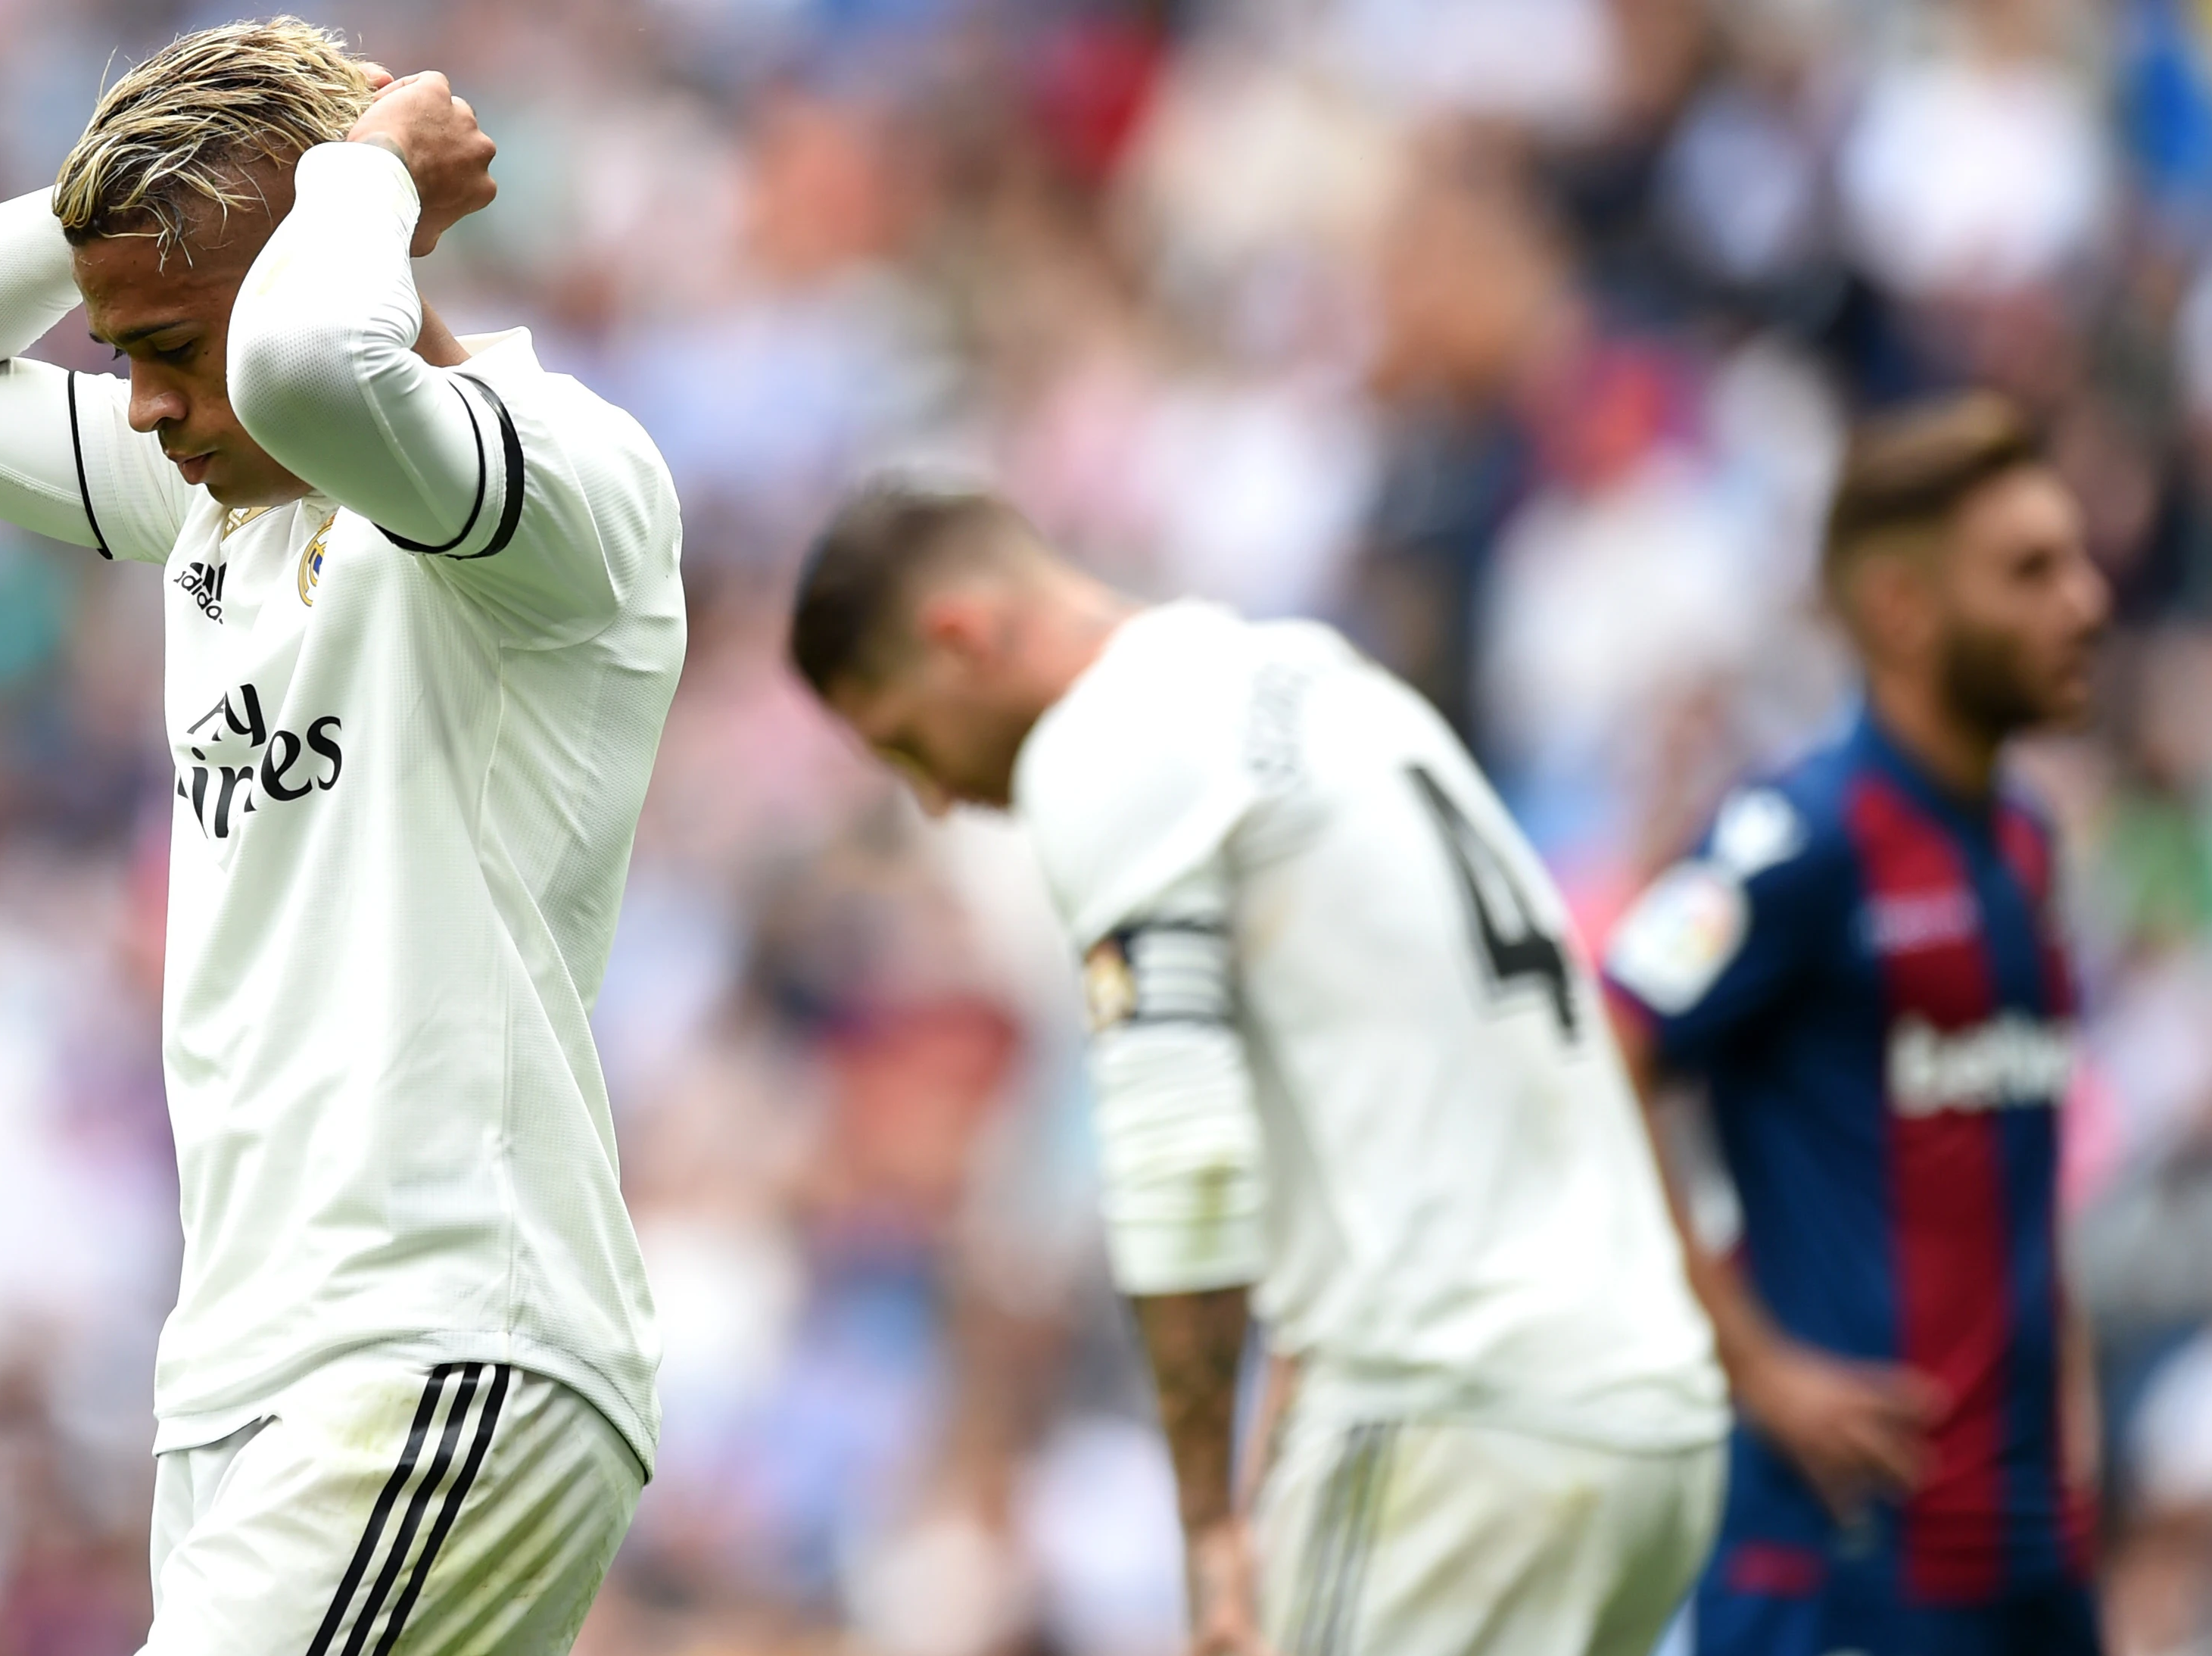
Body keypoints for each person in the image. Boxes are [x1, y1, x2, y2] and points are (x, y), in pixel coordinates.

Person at [0, 23, 684, 1655]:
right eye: (115, 346)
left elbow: (307, 370)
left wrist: (353, 189)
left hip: (437, 1331)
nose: (135, 409)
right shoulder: (225, 509)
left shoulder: (562, 478)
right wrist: (128, 207)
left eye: (167, 345)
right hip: (252, 1373)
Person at [788, 487, 1729, 1656]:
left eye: (909, 744)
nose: (933, 798)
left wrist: (1208, 1524)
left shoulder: (1104, 740)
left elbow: (1179, 1163)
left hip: (1452, 1415)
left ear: (960, 637)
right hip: (1645, 1417)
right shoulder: (1323, 682)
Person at [1603, 391, 2111, 1656]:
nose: (2088, 601)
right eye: (2032, 571)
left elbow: (2016, 1158)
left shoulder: (2027, 843)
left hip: (2031, 1543)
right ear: (1901, 609)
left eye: (2080, 558)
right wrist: (1755, 1364)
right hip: (1842, 1556)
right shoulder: (1799, 838)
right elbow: (1592, 1047)